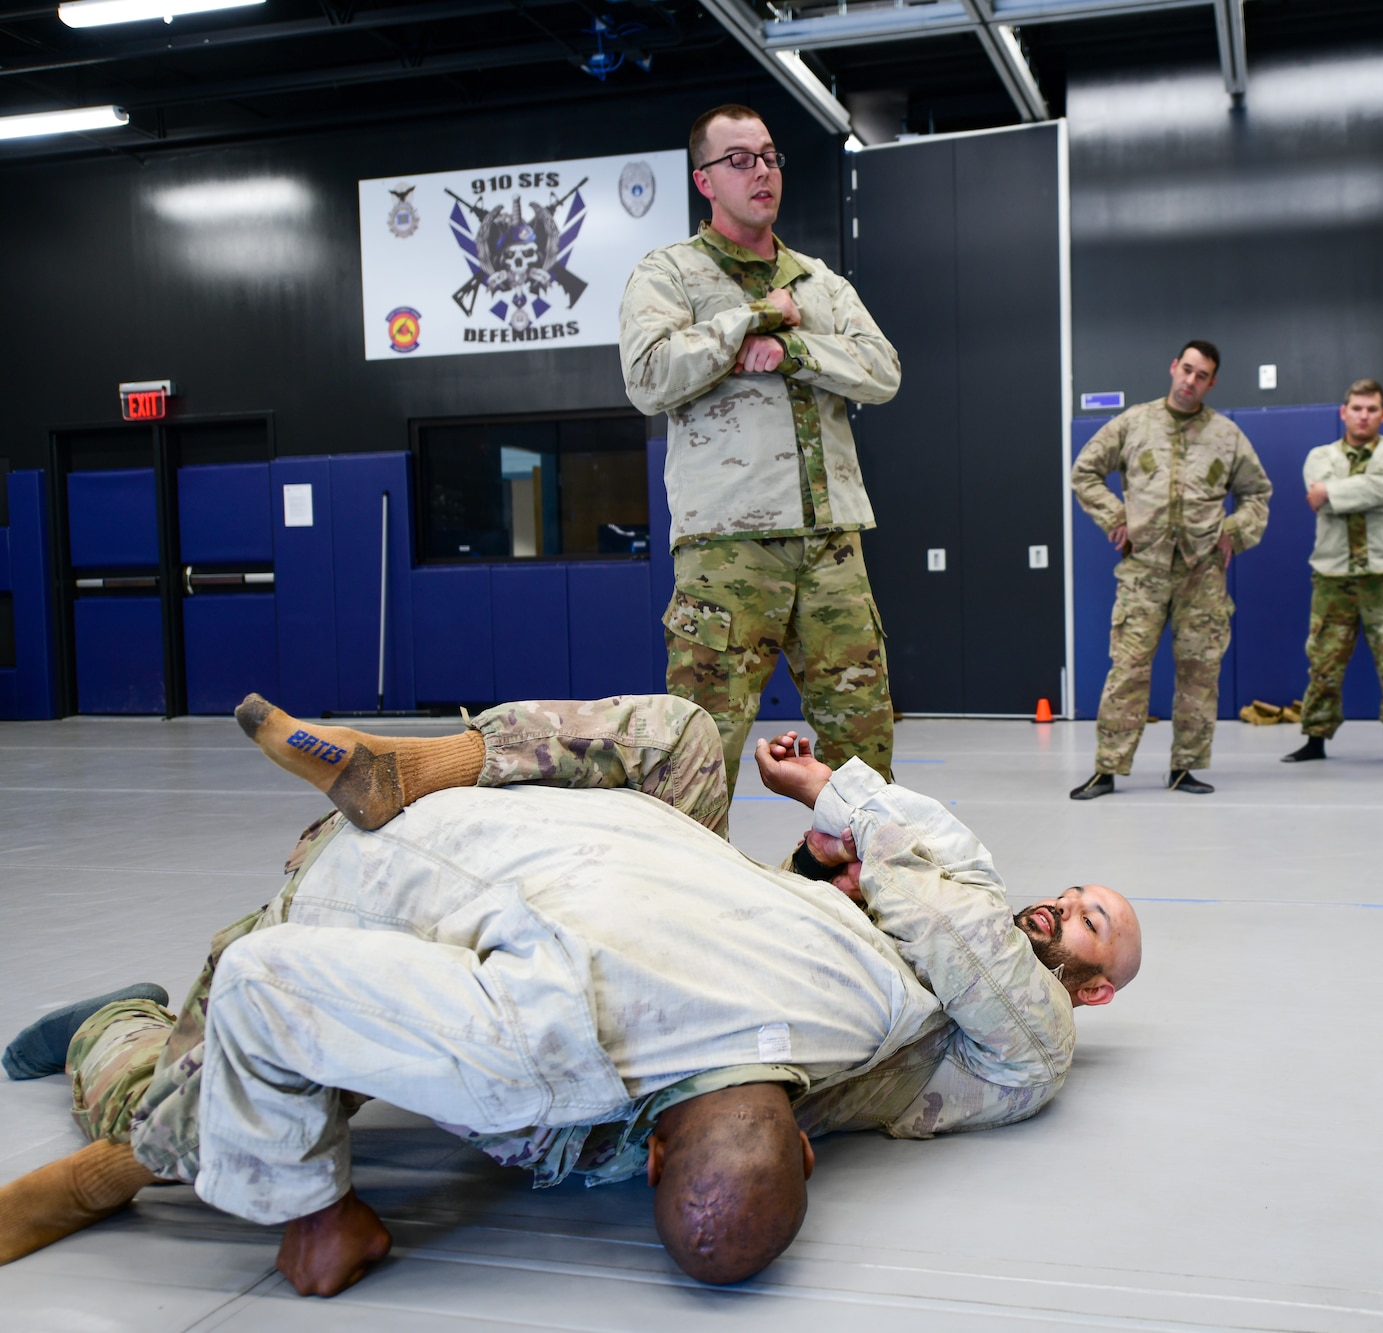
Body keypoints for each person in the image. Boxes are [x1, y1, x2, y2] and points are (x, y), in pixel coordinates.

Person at [0, 693, 1140, 1294]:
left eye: (1089, 926)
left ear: (1085, 993)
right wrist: (820, 850)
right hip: (516, 845)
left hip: (391, 891)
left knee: (204, 1086)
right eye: (1074, 892)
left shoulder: (1005, 1037)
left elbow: (956, 924)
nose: (1061, 910)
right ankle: (425, 756)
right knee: (686, 732)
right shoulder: (878, 983)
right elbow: (942, 893)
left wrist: (306, 1204)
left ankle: (120, 1053)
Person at [620, 103, 902, 797]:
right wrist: (748, 319)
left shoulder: (820, 283)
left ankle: (862, 898)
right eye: (739, 159)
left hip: (833, 542)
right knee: (697, 756)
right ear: (704, 181)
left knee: (864, 750)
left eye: (770, 156)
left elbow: (882, 369)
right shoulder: (670, 275)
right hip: (728, 549)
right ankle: (691, 903)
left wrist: (793, 348)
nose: (762, 170)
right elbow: (648, 376)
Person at [1069, 341, 1272, 797]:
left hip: (1202, 573)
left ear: (1211, 383)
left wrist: (1234, 532)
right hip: (1144, 570)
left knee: (1200, 672)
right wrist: (1115, 517)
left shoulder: (1227, 435)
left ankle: (1186, 767)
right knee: (1128, 669)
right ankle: (1108, 768)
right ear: (1174, 367)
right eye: (1187, 370)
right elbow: (1084, 471)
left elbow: (1258, 493)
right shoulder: (1134, 423)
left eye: (1202, 376)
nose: (1191, 381)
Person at [1281, 378, 1383, 767]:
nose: (1364, 416)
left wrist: (1334, 493)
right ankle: (1315, 738)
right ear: (1343, 412)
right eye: (1357, 409)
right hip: (1333, 576)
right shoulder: (1320, 456)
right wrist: (1379, 496)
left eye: (1372, 409)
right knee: (1324, 662)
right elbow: (1325, 496)